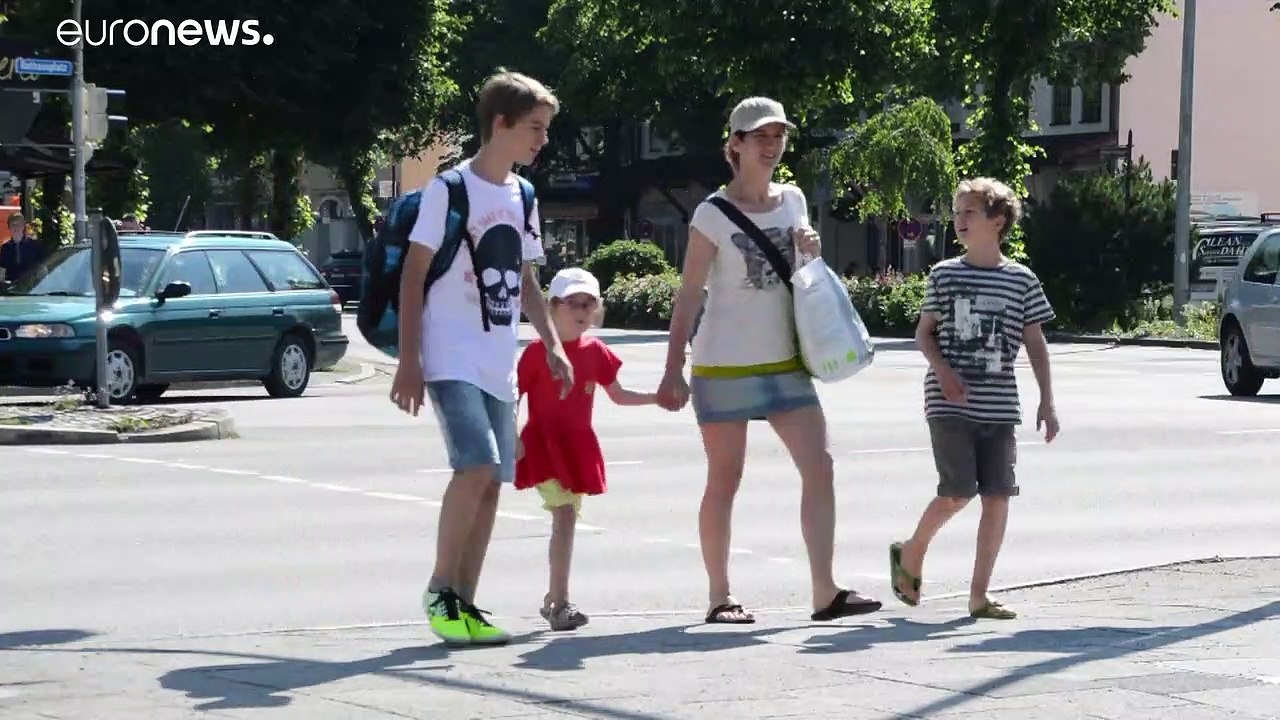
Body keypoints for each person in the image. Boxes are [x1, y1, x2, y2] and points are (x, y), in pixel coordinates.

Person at [656, 97, 882, 624]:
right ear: (734, 144)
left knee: (819, 467)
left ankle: (825, 591)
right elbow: (689, 293)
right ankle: (719, 596)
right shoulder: (711, 213)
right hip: (723, 364)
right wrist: (671, 369)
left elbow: (804, 274)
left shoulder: (795, 200)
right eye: (759, 135)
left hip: (785, 361)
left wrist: (811, 247)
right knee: (726, 478)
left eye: (778, 134)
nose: (771, 144)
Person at [389, 70, 573, 647]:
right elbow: (414, 274)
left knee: (494, 480)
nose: (542, 140)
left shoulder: (524, 196)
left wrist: (553, 345)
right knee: (474, 464)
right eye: (535, 129)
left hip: (497, 357)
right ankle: (441, 589)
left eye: (546, 129)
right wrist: (408, 360)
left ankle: (465, 607)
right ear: (501, 124)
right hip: (449, 354)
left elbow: (525, 281)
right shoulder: (450, 190)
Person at [888, 177, 1059, 620]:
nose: (959, 221)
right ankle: (912, 550)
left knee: (998, 496)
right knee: (958, 492)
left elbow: (1036, 343)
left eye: (969, 213)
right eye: (957, 212)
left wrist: (1047, 400)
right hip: (949, 402)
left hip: (1000, 404)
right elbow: (924, 334)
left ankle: (979, 596)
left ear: (997, 221)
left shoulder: (1021, 280)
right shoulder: (945, 274)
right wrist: (943, 371)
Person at [515, 267, 659, 631]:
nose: (581, 311)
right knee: (564, 517)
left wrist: (658, 397)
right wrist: (510, 437)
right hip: (545, 445)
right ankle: (561, 604)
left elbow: (619, 394)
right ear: (552, 307)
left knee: (566, 521)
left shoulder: (596, 352)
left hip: (577, 446)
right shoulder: (537, 353)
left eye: (588, 304)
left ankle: (553, 598)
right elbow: (513, 394)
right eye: (572, 303)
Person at [0, 213, 44, 282]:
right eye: (13, 225)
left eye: (18, 225)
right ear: (9, 227)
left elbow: (42, 268)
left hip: (31, 286)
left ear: (23, 226)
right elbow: (2, 270)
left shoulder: (34, 245)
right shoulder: (5, 248)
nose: (16, 228)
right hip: (12, 287)